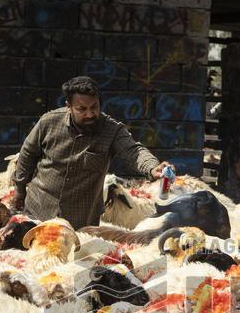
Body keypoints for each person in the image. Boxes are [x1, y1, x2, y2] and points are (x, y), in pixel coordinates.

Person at [12, 76, 174, 227]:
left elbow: (134, 151)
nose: (90, 114)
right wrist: (19, 189)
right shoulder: (49, 122)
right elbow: (28, 153)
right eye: (82, 109)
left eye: (94, 107)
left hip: (80, 221)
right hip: (38, 211)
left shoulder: (111, 130)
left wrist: (153, 168)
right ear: (69, 106)